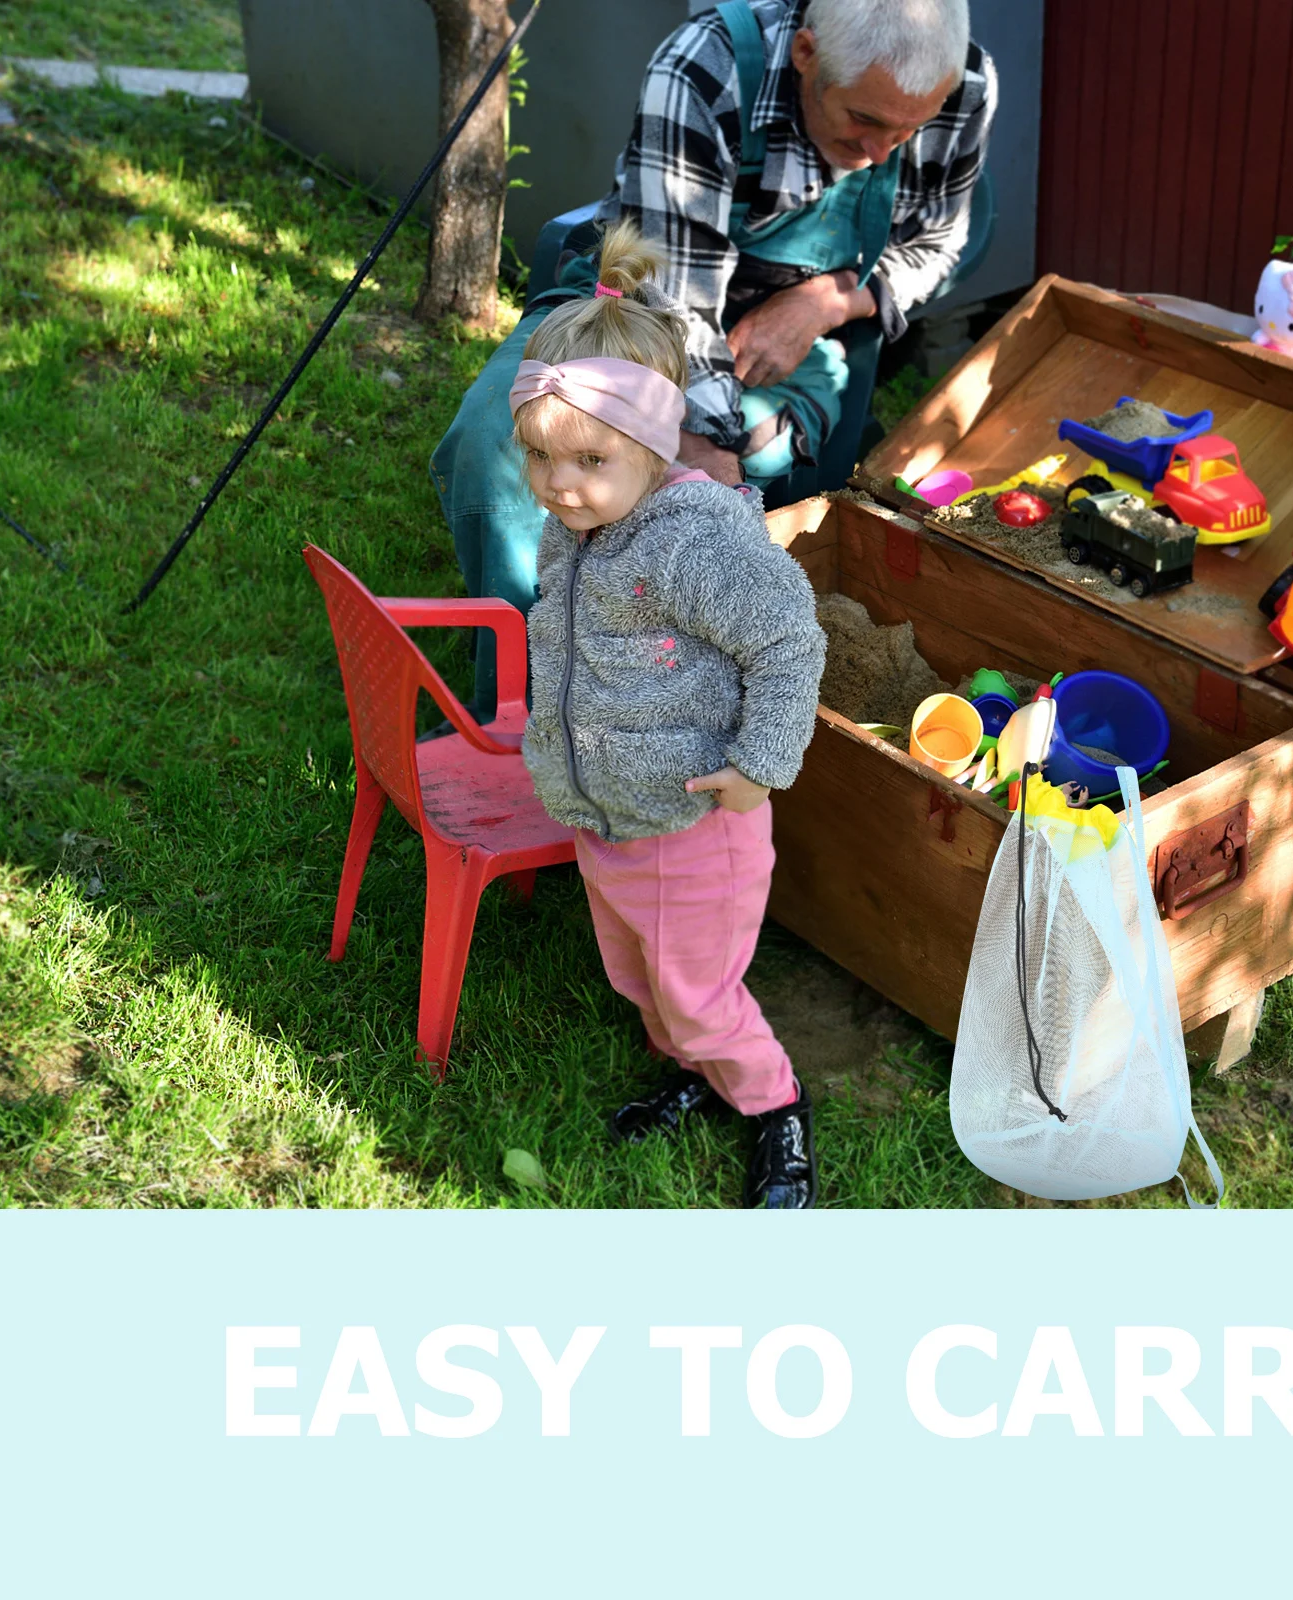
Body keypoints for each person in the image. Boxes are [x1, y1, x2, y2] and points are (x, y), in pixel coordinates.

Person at [431, 0, 994, 718]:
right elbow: (678, 303)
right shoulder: (706, 67)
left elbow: (938, 245)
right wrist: (712, 476)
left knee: (726, 471)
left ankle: (657, 694)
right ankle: (529, 716)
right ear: (807, 56)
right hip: (645, 291)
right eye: (864, 121)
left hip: (798, 320)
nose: (885, 151)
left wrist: (827, 303)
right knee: (501, 447)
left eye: (909, 130)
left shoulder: (965, 83)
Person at [510, 220, 828, 1209]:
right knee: (642, 978)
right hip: (613, 814)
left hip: (697, 822)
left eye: (589, 461)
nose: (559, 486)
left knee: (694, 994)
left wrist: (762, 762)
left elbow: (787, 640)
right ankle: (694, 1068)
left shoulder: (689, 543)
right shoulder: (586, 521)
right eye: (539, 458)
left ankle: (776, 1108)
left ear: (650, 447)